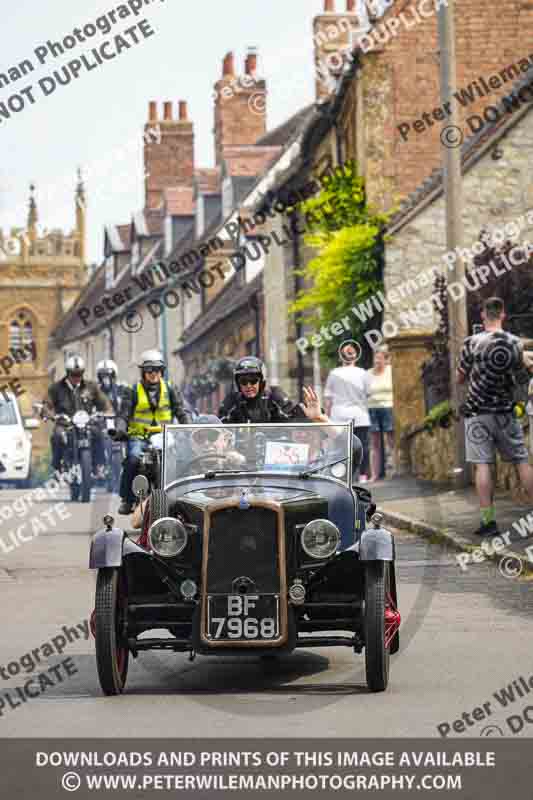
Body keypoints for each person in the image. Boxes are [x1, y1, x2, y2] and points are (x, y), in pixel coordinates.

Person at [457, 297, 533, 537]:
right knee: (521, 460)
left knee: (483, 466)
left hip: (477, 413)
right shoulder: (514, 343)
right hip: (506, 412)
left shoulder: (471, 343)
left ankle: (489, 522)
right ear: (503, 315)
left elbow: (460, 377)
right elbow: (522, 372)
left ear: (482, 315)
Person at [112, 349, 190, 515]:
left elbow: (181, 410)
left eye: (157, 369)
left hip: (165, 435)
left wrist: (188, 426)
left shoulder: (170, 389)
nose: (153, 373)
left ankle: (185, 496)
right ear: (143, 372)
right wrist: (120, 429)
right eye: (149, 370)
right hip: (139, 436)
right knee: (132, 460)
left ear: (162, 371)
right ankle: (127, 499)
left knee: (182, 459)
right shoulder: (132, 390)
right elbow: (123, 414)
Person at [43, 355, 112, 475]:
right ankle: (57, 466)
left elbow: (104, 403)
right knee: (57, 436)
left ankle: (99, 464)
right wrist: (49, 414)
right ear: (67, 373)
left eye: (79, 374)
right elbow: (46, 404)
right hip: (65, 423)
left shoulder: (91, 387)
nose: (77, 377)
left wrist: (107, 412)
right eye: (73, 374)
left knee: (98, 433)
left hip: (87, 422)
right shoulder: (56, 388)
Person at [219, 356, 328, 424]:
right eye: (243, 381)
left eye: (253, 380)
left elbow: (291, 416)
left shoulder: (274, 396)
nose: (248, 385)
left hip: (273, 455)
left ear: (261, 381)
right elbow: (219, 427)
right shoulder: (232, 401)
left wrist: (308, 415)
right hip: (240, 457)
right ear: (238, 383)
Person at [324, 341, 371, 481]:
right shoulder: (363, 373)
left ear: (340, 357)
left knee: (340, 448)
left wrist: (326, 417)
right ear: (355, 357)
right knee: (362, 446)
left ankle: (343, 476)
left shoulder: (334, 373)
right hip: (360, 416)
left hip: (339, 417)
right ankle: (362, 475)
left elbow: (328, 399)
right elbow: (368, 394)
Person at [367, 347, 394, 482]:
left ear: (386, 359)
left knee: (391, 440)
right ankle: (374, 474)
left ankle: (395, 470)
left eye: (379, 358)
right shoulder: (368, 374)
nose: (377, 361)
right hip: (372, 409)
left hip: (388, 407)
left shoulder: (391, 371)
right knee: (375, 443)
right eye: (375, 358)